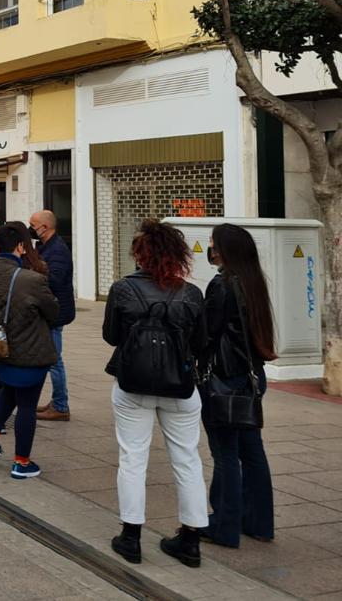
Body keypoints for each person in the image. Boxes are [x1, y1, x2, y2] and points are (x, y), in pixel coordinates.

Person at [104, 219, 209, 568]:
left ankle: (131, 536)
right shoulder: (191, 294)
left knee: (133, 458)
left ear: (139, 254)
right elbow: (201, 342)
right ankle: (191, 539)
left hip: (133, 384)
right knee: (188, 460)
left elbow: (111, 336)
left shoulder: (122, 289)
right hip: (180, 388)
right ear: (177, 255)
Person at [200, 223, 276, 548]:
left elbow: (208, 333)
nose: (210, 250)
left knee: (226, 453)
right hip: (251, 377)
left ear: (226, 250)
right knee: (252, 450)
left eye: (214, 244)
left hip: (223, 379)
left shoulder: (222, 285)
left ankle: (224, 525)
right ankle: (259, 523)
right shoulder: (253, 281)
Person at [0, 222, 59, 479]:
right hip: (30, 350)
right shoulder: (32, 279)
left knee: (8, 389)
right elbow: (53, 312)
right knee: (27, 404)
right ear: (21, 246)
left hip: (0, 349)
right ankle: (22, 462)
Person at [31, 210, 76, 422]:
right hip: (51, 310)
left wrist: (35, 274)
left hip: (55, 313)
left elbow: (54, 281)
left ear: (45, 227)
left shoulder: (57, 250)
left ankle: (61, 405)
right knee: (53, 360)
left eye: (33, 225)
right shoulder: (44, 246)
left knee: (55, 361)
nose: (31, 228)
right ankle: (57, 401)